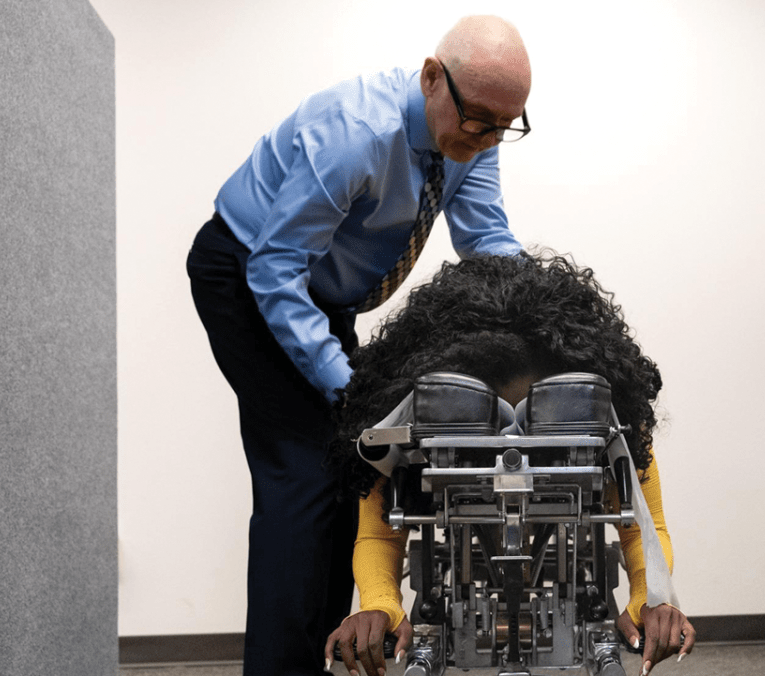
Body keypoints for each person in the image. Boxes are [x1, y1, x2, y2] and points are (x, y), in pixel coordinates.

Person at [185, 16, 532, 676]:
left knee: (350, 473)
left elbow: (486, 241)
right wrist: (345, 385)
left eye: (503, 127)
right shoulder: (355, 133)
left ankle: (312, 659)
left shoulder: (472, 134)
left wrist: (540, 319)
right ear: (433, 78)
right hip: (248, 276)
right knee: (305, 477)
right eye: (479, 122)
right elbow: (274, 267)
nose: (486, 140)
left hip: (320, 295)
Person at [324, 253, 697, 676]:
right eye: (493, 418)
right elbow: (378, 535)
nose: (511, 443)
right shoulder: (407, 422)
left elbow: (644, 529)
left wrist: (651, 598)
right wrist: (378, 604)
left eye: (532, 415)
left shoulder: (611, 424)